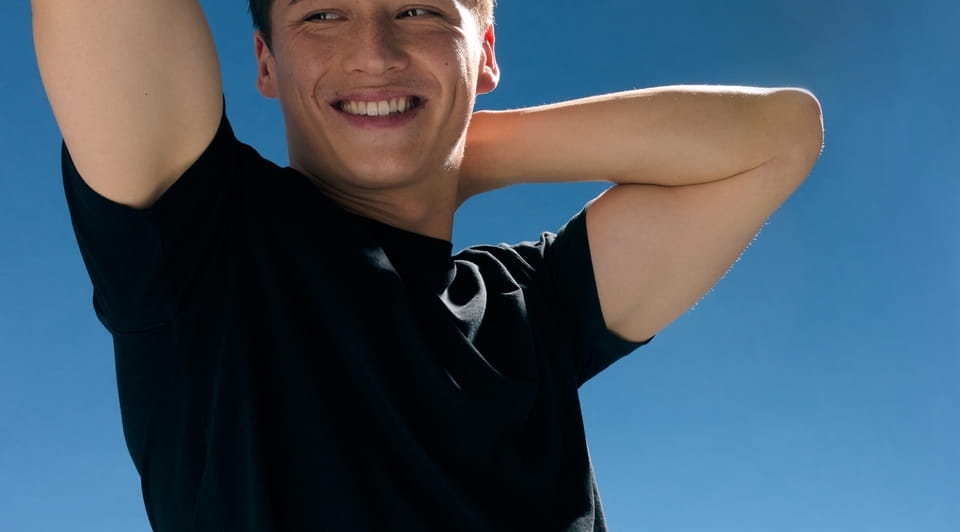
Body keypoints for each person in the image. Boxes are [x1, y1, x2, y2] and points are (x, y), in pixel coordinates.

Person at [32, 0, 824, 530]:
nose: (374, 52)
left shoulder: (529, 304)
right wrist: (421, 138)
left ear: (484, 52)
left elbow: (781, 135)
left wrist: (451, 154)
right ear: (266, 65)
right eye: (324, 13)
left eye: (416, 8)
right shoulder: (205, 246)